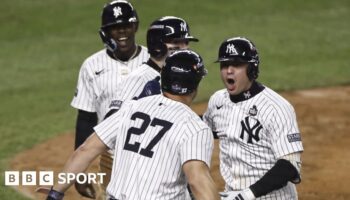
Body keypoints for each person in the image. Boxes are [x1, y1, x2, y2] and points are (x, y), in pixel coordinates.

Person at [39, 50, 220, 200]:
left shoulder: (132, 107)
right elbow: (197, 181)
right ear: (194, 85)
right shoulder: (195, 127)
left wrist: (55, 192)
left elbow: (86, 149)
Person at [203, 37, 304, 200]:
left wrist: (246, 195)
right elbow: (204, 129)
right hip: (231, 194)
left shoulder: (276, 108)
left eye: (236, 64)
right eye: (224, 65)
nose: (229, 70)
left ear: (251, 69)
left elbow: (290, 165)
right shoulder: (218, 101)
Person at [70, 0, 149, 198]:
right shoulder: (91, 65)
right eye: (114, 28)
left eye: (126, 26)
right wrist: (79, 172)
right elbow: (86, 118)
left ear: (135, 26)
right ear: (105, 32)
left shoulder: (153, 60)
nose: (121, 32)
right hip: (111, 159)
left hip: (152, 155)